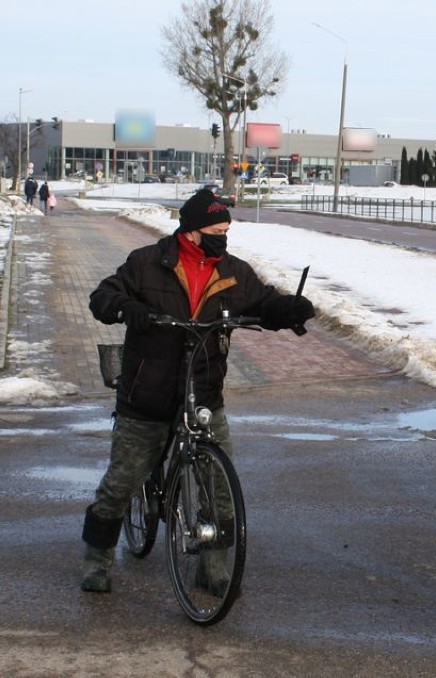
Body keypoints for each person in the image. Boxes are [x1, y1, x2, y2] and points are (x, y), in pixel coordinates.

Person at [81, 188, 315, 593]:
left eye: (226, 229)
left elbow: (261, 303)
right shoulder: (146, 263)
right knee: (122, 481)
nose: (222, 236)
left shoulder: (234, 272)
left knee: (220, 489)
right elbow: (102, 296)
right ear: (190, 231)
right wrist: (126, 308)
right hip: (147, 393)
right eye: (215, 229)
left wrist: (287, 310)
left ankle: (214, 566)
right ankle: (98, 560)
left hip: (204, 393)